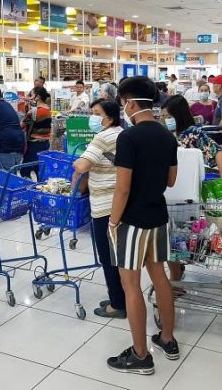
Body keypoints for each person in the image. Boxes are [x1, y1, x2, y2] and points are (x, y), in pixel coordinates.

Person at [107, 76, 179, 375]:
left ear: (130, 103)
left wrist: (113, 221)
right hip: (158, 215)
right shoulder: (167, 135)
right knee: (159, 276)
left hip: (133, 220)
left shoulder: (129, 137)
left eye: (123, 103)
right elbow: (170, 180)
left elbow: (122, 188)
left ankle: (140, 355)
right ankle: (167, 339)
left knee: (131, 285)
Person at [72, 100, 125, 319]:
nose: (92, 118)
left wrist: (77, 164)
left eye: (96, 114)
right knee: (118, 256)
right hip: (119, 201)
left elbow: (82, 165)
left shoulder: (103, 137)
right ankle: (120, 297)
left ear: (109, 118)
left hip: (104, 205)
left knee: (107, 256)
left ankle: (117, 305)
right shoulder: (121, 133)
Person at [163, 95, 222, 177]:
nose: (166, 120)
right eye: (164, 117)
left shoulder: (192, 133)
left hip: (192, 180)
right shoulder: (169, 134)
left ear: (179, 115)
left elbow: (218, 153)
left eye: (169, 117)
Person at [21, 86, 52, 178]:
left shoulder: (34, 112)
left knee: (25, 171)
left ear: (37, 97)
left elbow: (22, 126)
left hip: (34, 145)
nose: (29, 97)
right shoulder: (47, 109)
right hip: (45, 144)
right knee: (40, 171)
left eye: (31, 95)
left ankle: (28, 190)